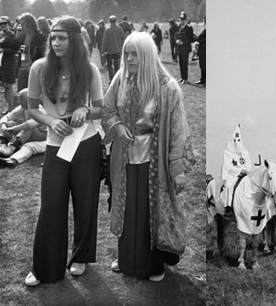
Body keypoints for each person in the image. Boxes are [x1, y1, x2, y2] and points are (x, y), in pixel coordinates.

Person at [101, 31, 194, 281]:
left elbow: (178, 131)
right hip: (124, 157)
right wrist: (118, 126)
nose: (129, 59)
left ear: (147, 55)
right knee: (126, 208)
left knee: (150, 211)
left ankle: (153, 265)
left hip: (155, 159)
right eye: (127, 54)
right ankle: (126, 259)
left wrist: (177, 170)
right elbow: (108, 109)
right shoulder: (120, 78)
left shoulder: (167, 87)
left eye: (135, 55)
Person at [24, 16, 104, 286]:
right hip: (55, 146)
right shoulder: (39, 68)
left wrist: (84, 109)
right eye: (53, 38)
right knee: (51, 205)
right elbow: (32, 108)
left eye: (62, 38)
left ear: (74, 40)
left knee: (85, 204)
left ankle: (79, 257)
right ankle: (45, 267)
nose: (56, 42)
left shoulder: (89, 70)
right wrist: (51, 121)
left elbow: (100, 109)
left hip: (86, 144)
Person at [0, 88, 47, 167]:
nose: (18, 101)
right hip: (29, 134)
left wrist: (12, 129)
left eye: (21, 99)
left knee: (29, 128)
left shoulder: (41, 110)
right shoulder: (23, 107)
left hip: (41, 136)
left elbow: (30, 124)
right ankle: (3, 144)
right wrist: (4, 126)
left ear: (28, 100)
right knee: (10, 123)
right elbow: (7, 116)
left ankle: (12, 147)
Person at [219, 125, 252, 208]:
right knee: (229, 188)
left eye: (238, 140)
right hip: (233, 175)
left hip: (244, 176)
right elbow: (227, 166)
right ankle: (228, 207)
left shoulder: (245, 152)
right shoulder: (227, 153)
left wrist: (245, 170)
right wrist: (239, 171)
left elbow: (248, 165)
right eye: (235, 140)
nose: (236, 142)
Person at [15, 13, 46, 92]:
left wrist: (32, 66)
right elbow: (16, 48)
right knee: (21, 94)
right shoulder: (22, 35)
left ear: (29, 24)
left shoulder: (39, 36)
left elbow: (42, 55)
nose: (20, 26)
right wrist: (17, 36)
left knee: (33, 94)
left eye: (22, 24)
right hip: (22, 68)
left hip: (33, 68)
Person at [0, 16, 18, 115]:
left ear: (8, 23)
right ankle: (10, 107)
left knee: (8, 86)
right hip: (1, 63)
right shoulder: (1, 34)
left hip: (9, 62)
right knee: (5, 86)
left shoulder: (12, 35)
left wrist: (4, 50)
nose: (2, 25)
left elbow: (16, 50)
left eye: (4, 23)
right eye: (0, 24)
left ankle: (11, 109)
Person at [102, 15, 125, 82]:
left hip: (109, 51)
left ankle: (111, 79)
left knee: (110, 66)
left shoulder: (108, 30)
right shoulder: (120, 29)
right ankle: (116, 80)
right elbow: (123, 39)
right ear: (116, 20)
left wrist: (103, 51)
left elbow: (105, 41)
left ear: (109, 21)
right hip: (117, 50)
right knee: (117, 66)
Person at [176, 12, 194, 84]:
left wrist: (183, 42)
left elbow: (191, 39)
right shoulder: (180, 27)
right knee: (181, 63)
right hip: (180, 48)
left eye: (183, 20)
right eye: (181, 20)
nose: (182, 21)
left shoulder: (189, 28)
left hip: (185, 48)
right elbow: (176, 36)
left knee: (184, 63)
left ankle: (185, 78)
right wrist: (177, 40)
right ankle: (182, 77)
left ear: (186, 20)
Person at [194, 17, 206, 85]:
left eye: (204, 21)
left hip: (204, 51)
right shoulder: (204, 30)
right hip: (202, 51)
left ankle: (205, 81)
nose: (203, 23)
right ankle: (202, 80)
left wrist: (198, 42)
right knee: (202, 66)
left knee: (205, 66)